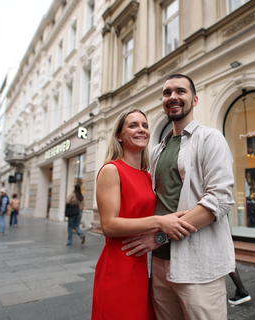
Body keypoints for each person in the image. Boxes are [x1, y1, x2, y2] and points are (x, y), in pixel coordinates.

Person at [121, 74, 236, 319]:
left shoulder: (210, 138)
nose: (173, 96)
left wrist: (159, 237)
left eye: (180, 91)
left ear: (194, 99)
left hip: (198, 265)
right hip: (159, 264)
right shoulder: (157, 150)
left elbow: (220, 199)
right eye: (167, 93)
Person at [91, 109, 196, 320]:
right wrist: (158, 222)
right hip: (119, 263)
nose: (141, 130)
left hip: (143, 264)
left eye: (145, 125)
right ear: (119, 136)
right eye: (133, 125)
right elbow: (108, 226)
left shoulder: (147, 175)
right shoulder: (112, 170)